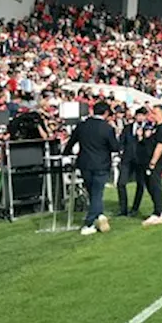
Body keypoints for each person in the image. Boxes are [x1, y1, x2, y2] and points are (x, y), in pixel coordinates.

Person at [62, 101, 120, 236]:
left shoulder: (82, 126)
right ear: (106, 113)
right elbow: (115, 147)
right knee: (97, 194)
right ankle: (89, 223)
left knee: (93, 193)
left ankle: (99, 215)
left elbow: (70, 143)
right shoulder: (107, 128)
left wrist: (67, 154)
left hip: (85, 164)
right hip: (101, 164)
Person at [139, 107, 162, 227]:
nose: (152, 115)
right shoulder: (156, 127)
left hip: (155, 162)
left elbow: (160, 145)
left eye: (155, 113)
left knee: (154, 185)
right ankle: (160, 210)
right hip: (149, 160)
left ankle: (157, 213)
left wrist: (153, 162)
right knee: (151, 185)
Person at [118, 107, 148, 216]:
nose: (140, 117)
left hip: (141, 160)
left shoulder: (148, 128)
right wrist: (120, 150)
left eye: (143, 115)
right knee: (121, 183)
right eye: (139, 115)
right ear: (135, 116)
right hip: (127, 159)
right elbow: (122, 141)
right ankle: (123, 209)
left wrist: (141, 137)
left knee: (140, 184)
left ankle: (135, 208)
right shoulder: (127, 128)